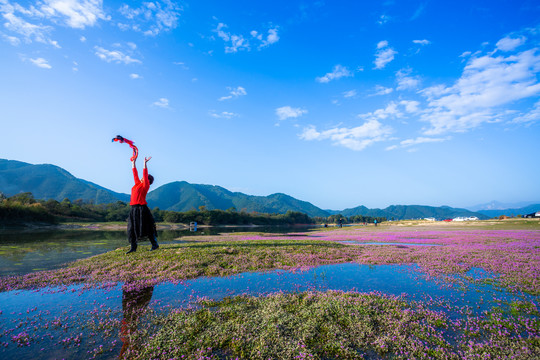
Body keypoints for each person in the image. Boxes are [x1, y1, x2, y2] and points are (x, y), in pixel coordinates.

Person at [126, 156, 159, 254]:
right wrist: (133, 162)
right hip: (133, 208)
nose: (141, 177)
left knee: (147, 228)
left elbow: (144, 174)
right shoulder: (137, 184)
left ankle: (155, 245)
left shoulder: (145, 186)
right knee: (131, 228)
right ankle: (133, 247)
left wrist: (145, 163)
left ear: (147, 181)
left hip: (142, 209)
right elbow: (134, 173)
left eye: (145, 178)